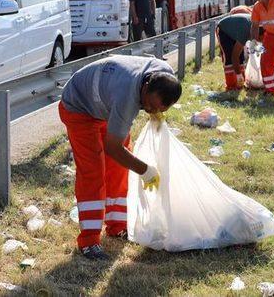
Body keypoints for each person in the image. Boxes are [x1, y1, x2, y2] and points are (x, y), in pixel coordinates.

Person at [59, 56, 182, 260]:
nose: (150, 111)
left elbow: (118, 153)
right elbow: (113, 148)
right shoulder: (127, 97)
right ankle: (89, 241)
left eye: (160, 109)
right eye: (149, 105)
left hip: (105, 105)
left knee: (118, 168)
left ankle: (117, 226)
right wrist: (146, 171)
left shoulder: (164, 73)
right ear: (145, 89)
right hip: (78, 107)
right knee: (93, 171)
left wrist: (156, 112)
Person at [217, 12, 262, 91]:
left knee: (241, 57)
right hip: (224, 29)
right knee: (229, 58)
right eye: (259, 39)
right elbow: (234, 56)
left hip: (236, 28)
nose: (258, 42)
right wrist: (238, 74)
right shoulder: (245, 32)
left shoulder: (258, 27)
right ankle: (231, 86)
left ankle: (240, 83)